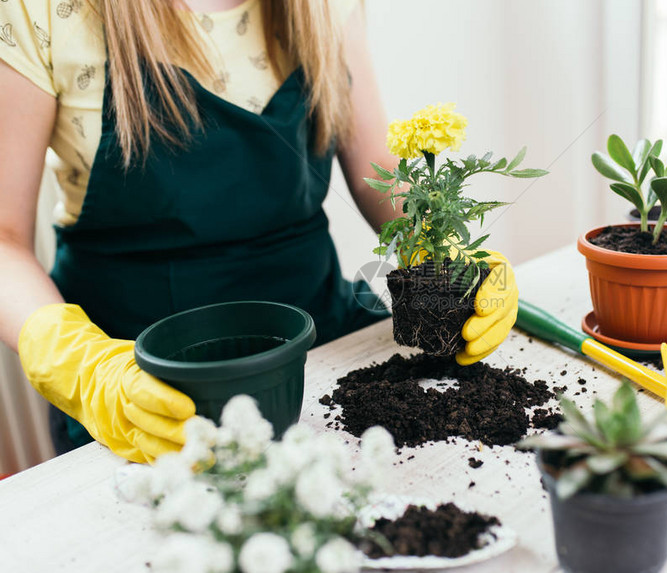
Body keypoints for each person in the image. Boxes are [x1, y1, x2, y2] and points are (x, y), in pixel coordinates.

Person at [0, 0, 518, 464]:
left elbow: (376, 167)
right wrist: (84, 370)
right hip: (147, 393)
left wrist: (442, 248)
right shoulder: (40, 11)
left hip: (323, 349)